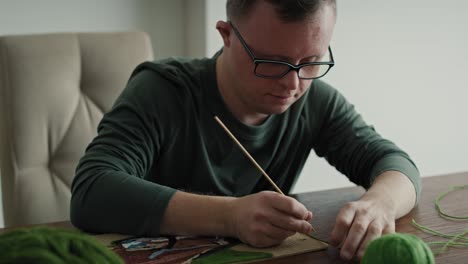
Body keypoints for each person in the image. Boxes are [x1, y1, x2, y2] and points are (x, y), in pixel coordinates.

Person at [70, 0, 420, 261]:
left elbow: (394, 162)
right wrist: (230, 216)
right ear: (227, 36)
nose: (293, 84)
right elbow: (92, 191)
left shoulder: (313, 101)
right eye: (271, 62)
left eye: (311, 62)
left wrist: (380, 204)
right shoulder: (162, 90)